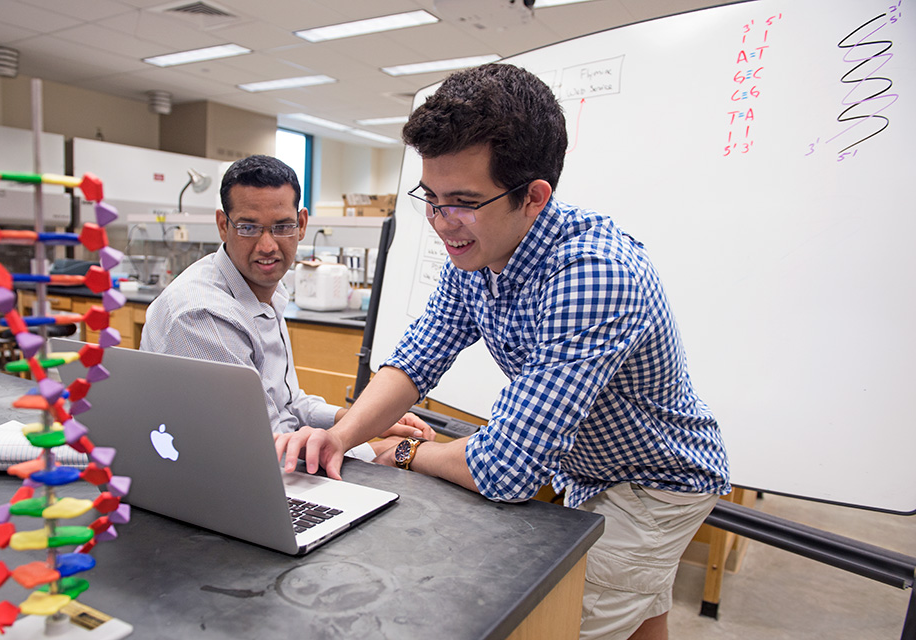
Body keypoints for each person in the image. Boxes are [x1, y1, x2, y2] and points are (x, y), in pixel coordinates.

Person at [274, 65, 731, 639]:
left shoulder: (592, 276)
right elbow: (418, 357)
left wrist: (406, 453)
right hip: (592, 470)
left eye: (461, 201)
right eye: (431, 199)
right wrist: (343, 436)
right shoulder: (481, 251)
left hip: (652, 483)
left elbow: (506, 469)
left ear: (533, 197)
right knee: (640, 616)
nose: (442, 224)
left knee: (556, 622)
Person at [140, 155, 433, 458]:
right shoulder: (204, 316)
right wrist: (375, 449)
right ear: (222, 225)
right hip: (231, 478)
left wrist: (362, 423)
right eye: (248, 228)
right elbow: (260, 450)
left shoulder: (265, 292)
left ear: (302, 224)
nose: (267, 246)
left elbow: (288, 403)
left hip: (265, 463)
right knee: (403, 463)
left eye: (281, 227)